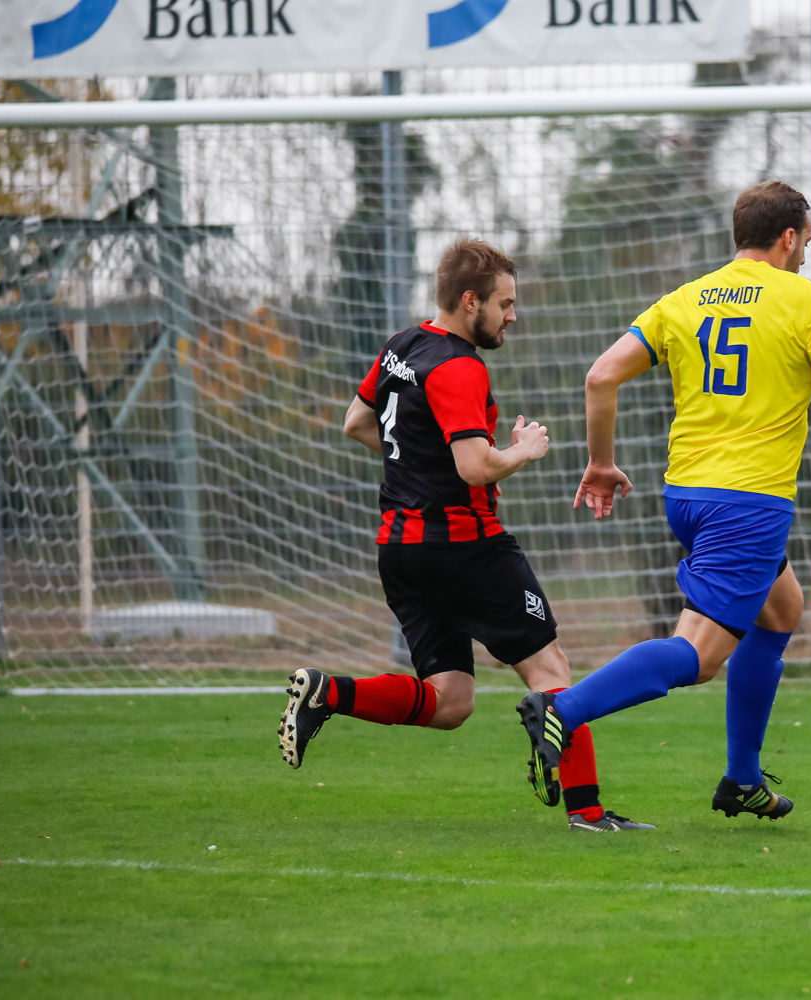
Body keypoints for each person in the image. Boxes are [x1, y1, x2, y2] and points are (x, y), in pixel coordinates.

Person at [515, 181, 811, 820]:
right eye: (805, 241)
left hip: (687, 496)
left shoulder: (685, 299)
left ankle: (742, 778)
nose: (804, 254)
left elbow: (601, 375)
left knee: (781, 609)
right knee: (698, 656)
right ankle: (561, 710)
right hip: (748, 504)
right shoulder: (807, 300)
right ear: (788, 237)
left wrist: (600, 464)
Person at [278, 238, 653, 833]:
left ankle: (329, 693)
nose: (512, 315)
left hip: (400, 551)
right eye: (505, 303)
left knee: (451, 700)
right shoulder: (459, 367)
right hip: (465, 547)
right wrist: (524, 449)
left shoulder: (402, 346)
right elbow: (476, 468)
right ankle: (587, 812)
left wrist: (421, 463)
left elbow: (356, 422)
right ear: (470, 300)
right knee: (551, 669)